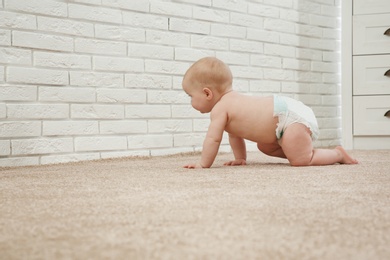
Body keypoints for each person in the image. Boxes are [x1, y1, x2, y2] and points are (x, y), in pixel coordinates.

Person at [182, 57, 358, 169]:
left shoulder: (220, 109)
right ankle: (300, 149)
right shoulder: (229, 104)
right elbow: (235, 135)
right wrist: (240, 158)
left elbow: (213, 139)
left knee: (301, 161)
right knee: (264, 146)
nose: (191, 101)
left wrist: (203, 164)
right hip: (281, 117)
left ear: (207, 93)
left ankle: (337, 154)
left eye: (191, 96)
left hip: (290, 118)